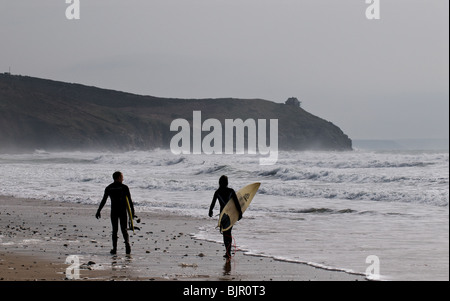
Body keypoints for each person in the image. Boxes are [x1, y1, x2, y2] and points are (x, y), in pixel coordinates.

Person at [96, 171, 135, 255]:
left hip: (114, 211)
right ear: (118, 178)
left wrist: (98, 211)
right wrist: (132, 213)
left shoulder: (109, 187)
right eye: (122, 177)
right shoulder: (124, 187)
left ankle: (114, 249)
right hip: (122, 211)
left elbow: (104, 200)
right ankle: (127, 246)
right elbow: (130, 201)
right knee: (124, 230)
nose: (123, 178)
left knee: (114, 230)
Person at [209, 175, 243, 259]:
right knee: (229, 233)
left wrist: (210, 211)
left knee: (225, 233)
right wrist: (240, 213)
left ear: (219, 182)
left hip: (223, 215)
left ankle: (227, 252)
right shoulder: (231, 191)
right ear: (227, 182)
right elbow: (236, 203)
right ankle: (228, 252)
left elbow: (213, 203)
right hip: (230, 215)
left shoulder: (217, 192)